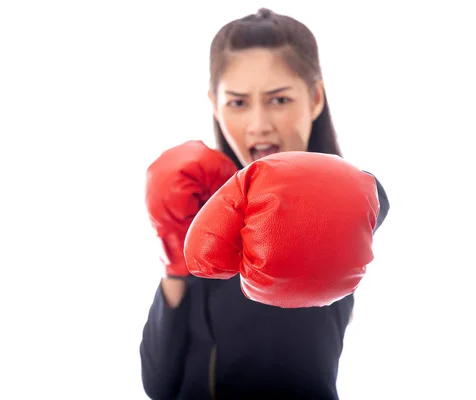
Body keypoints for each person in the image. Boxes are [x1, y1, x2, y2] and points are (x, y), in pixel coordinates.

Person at [140, 8, 390, 400]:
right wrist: (175, 256)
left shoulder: (356, 197)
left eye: (279, 99)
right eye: (237, 103)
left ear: (315, 97)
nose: (258, 124)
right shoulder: (203, 207)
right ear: (214, 103)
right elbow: (159, 385)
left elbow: (369, 204)